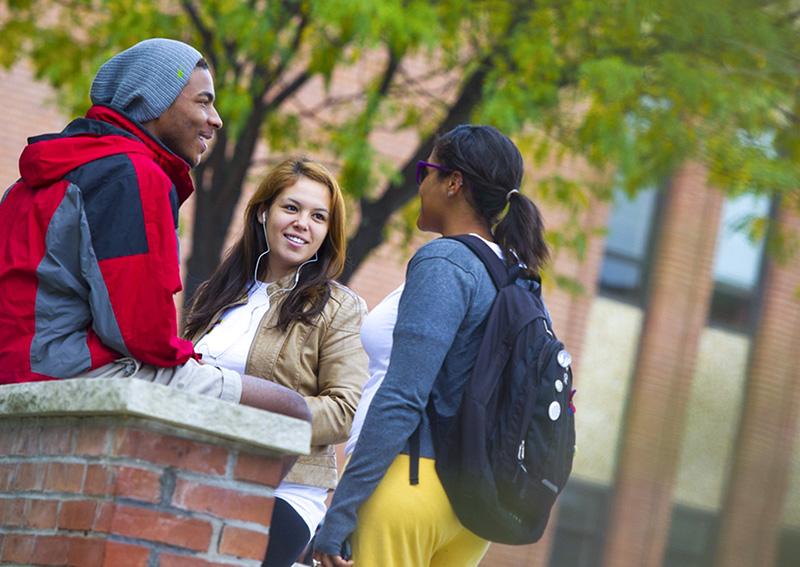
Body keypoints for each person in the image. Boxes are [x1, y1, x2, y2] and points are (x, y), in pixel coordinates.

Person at [0, 38, 308, 422]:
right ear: (153, 103)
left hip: (13, 369)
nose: (216, 119)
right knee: (291, 409)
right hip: (65, 373)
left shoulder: (34, 180)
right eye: (203, 101)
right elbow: (141, 333)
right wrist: (189, 358)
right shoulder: (132, 175)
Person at [314, 124, 551, 567]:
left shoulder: (445, 262)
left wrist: (341, 512)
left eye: (427, 171)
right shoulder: (518, 275)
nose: (420, 184)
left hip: (411, 484)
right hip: (471, 509)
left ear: (453, 182)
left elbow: (403, 396)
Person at [183, 157, 369, 567]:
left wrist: (248, 412)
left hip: (284, 488)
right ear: (264, 211)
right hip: (199, 468)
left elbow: (344, 409)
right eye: (292, 208)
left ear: (327, 232)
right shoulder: (219, 292)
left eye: (318, 216)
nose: (303, 223)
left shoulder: (339, 308)